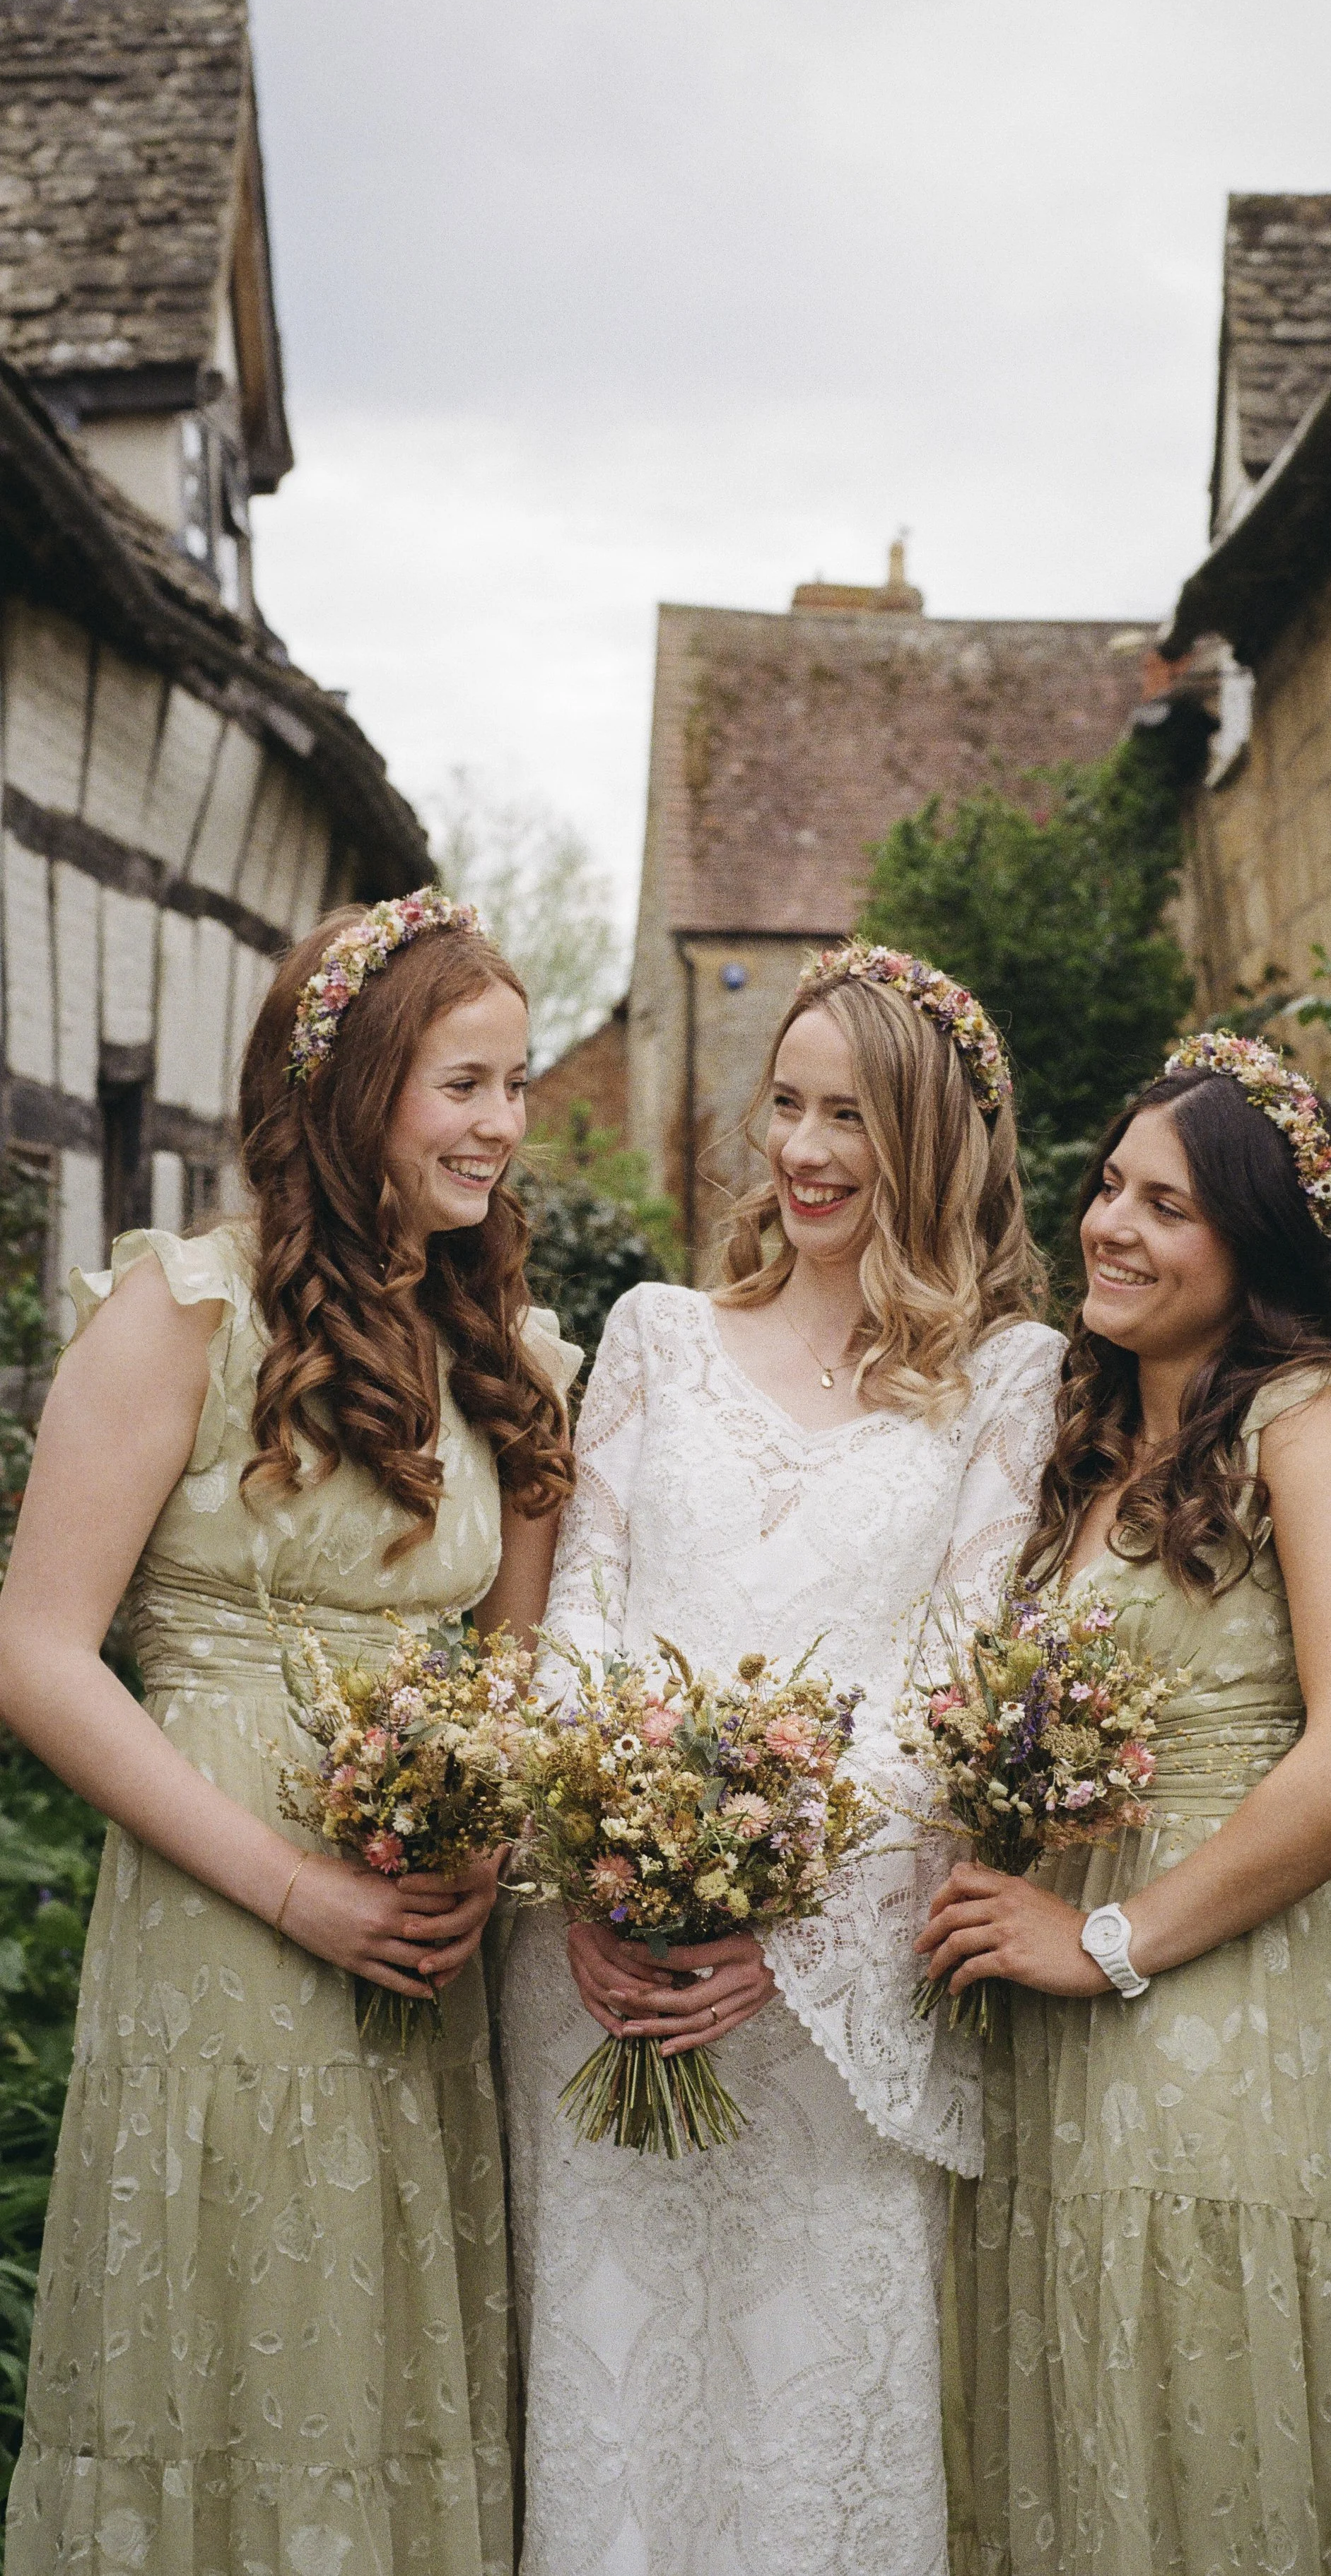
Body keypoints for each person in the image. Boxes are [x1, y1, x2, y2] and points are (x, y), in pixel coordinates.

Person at [1, 891, 581, 2576]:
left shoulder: (514, 1360)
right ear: (352, 1091)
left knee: (385, 2349)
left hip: (421, 1935)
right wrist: (288, 1888)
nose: (502, 1126)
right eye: (462, 1085)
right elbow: (39, 1653)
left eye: (517, 1083)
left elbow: (514, 1664)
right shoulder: (180, 1315)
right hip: (224, 1912)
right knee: (231, 2333)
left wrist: (474, 1844)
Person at [497, 941, 1065, 2576]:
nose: (802, 1151)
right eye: (788, 1106)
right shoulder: (657, 1336)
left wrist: (782, 1919)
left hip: (826, 1990)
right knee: (617, 2403)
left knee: (808, 2405)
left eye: (851, 1118)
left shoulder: (1005, 1381)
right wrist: (601, 1867)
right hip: (599, 1972)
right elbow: (579, 1624)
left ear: (933, 1142)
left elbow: (951, 1687)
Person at [921, 1033, 1331, 2576]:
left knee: (1213, 2440)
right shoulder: (1096, 1440)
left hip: (1217, 2029)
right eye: (1108, 1185)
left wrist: (1103, 1934)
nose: (1110, 1224)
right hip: (1053, 2045)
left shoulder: (1307, 1424)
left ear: (1253, 1245)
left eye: (1165, 1206)